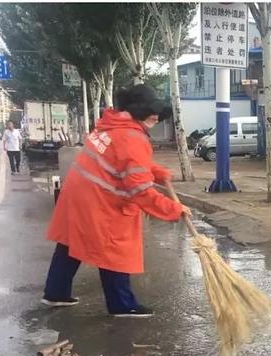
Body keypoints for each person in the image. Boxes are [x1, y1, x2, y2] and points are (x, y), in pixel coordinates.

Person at [41, 84, 192, 318]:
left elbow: (124, 162)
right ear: (135, 111)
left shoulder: (112, 127)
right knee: (112, 246)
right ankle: (122, 304)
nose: (155, 115)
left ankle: (56, 292)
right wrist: (173, 209)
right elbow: (140, 189)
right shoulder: (132, 137)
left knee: (71, 241)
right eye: (149, 110)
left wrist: (156, 171)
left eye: (156, 111)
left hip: (77, 194)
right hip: (99, 201)